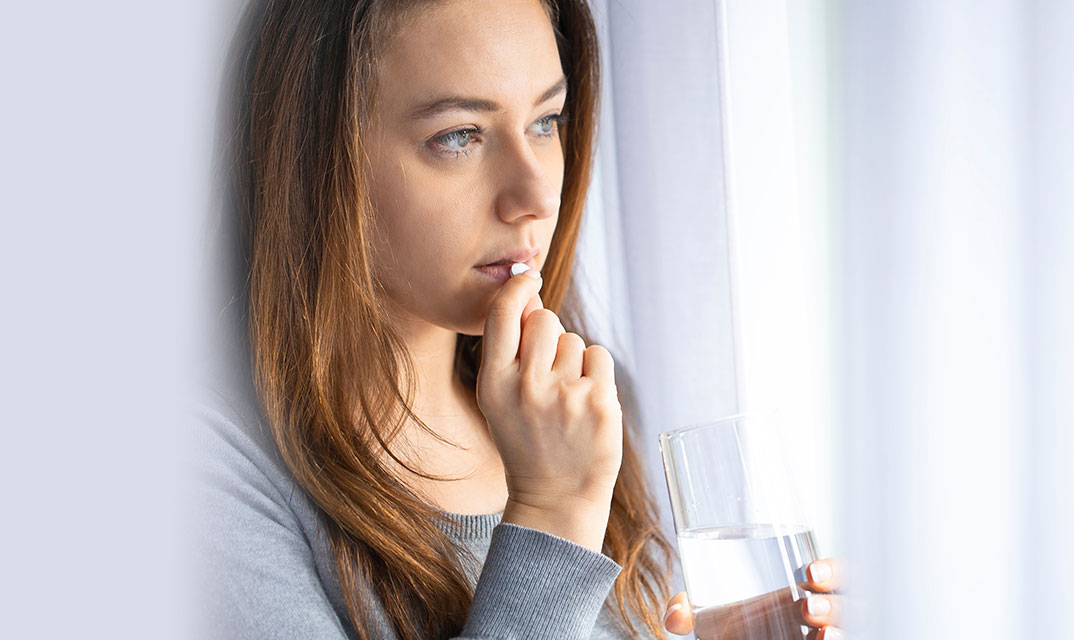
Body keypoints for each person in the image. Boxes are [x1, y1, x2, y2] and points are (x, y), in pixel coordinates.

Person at [199, 0, 845, 638]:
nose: (536, 195)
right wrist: (553, 516)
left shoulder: (575, 404)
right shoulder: (211, 479)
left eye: (546, 121)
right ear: (314, 157)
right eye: (459, 136)